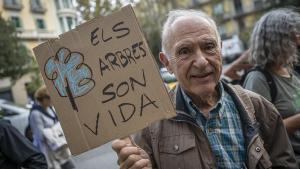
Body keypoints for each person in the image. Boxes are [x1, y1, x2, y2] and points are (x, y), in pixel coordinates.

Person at [112, 9, 298, 169]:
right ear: (167, 63)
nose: (201, 62)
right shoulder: (150, 127)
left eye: (209, 46)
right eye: (184, 51)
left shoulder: (260, 108)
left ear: (220, 50)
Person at [243, 9, 300, 166]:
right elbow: (258, 134)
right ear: (278, 41)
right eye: (293, 35)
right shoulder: (258, 79)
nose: (298, 39)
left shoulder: (290, 72)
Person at [29, 86, 75, 169]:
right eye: (50, 97)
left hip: (59, 146)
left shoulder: (50, 108)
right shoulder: (35, 114)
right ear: (43, 98)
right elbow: (40, 136)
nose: (52, 100)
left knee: (69, 166)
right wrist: (53, 131)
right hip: (48, 150)